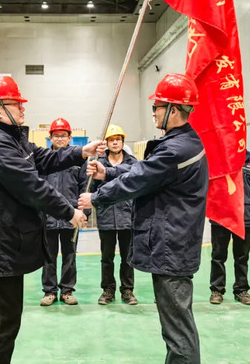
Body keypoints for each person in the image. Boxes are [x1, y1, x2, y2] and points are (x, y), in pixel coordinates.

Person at [0, 76, 104, 364]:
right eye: (16, 104)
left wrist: (81, 152)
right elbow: (30, 185)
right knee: (2, 326)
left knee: (8, 322)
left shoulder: (10, 137)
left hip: (6, 244)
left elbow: (42, 158)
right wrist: (70, 211)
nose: (22, 108)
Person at [80, 73, 208, 364]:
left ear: (173, 110)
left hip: (171, 247)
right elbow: (149, 173)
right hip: (174, 244)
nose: (154, 112)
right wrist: (108, 172)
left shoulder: (176, 149)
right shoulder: (181, 143)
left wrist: (96, 197)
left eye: (157, 107)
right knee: (175, 326)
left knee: (178, 330)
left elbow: (139, 179)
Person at [90, 124, 138, 306]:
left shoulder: (133, 163)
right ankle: (108, 290)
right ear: (107, 143)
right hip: (107, 216)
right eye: (111, 140)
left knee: (128, 257)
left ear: (123, 142)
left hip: (127, 216)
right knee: (106, 257)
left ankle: (127, 290)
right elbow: (92, 188)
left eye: (118, 139)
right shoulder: (98, 163)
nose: (115, 142)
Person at [39, 118, 85, 307]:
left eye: (63, 135)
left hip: (71, 216)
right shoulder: (43, 160)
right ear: (50, 137)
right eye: (56, 135)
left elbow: (85, 187)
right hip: (47, 217)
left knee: (69, 255)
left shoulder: (78, 160)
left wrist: (83, 213)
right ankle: (49, 291)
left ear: (69, 137)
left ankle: (67, 290)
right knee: (48, 256)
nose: (59, 138)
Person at [209, 151, 250, 305]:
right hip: (221, 214)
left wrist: (245, 202)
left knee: (242, 256)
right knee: (218, 255)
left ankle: (241, 290)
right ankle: (217, 290)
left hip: (244, 215)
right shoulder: (216, 158)